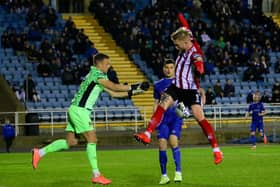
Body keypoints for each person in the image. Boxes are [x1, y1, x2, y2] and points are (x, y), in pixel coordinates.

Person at [31, 53, 149, 185]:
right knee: (92, 139)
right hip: (80, 111)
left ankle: (39, 152)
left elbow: (114, 94)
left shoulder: (96, 76)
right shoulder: (97, 75)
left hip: (74, 109)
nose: (109, 66)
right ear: (99, 64)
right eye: (107, 64)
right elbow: (115, 87)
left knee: (71, 142)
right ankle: (96, 174)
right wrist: (135, 85)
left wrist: (136, 91)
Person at [134, 27, 223, 165]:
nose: (176, 47)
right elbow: (188, 35)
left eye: (177, 44)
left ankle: (216, 149)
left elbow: (198, 59)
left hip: (189, 90)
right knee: (162, 104)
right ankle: (147, 134)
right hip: (176, 87)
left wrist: (200, 66)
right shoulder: (184, 48)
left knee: (199, 117)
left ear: (185, 41)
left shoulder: (193, 53)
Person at [153, 59, 183, 184]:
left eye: (171, 67)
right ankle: (164, 175)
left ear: (174, 68)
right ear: (163, 69)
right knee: (161, 144)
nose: (169, 69)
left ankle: (178, 171)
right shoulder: (158, 84)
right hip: (163, 118)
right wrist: (154, 119)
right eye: (167, 67)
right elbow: (156, 103)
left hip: (176, 116)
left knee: (173, 141)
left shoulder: (181, 82)